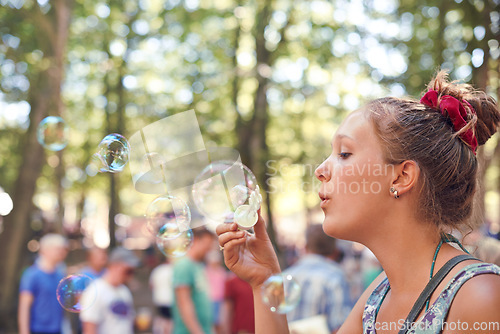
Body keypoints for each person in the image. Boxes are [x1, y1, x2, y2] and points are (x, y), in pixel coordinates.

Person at [216, 71, 500, 334]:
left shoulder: (480, 297)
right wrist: (265, 280)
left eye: (344, 153)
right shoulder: (377, 296)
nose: (320, 170)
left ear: (401, 177)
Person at [284, 224, 351, 333]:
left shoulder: (285, 276)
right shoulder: (336, 276)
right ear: (335, 250)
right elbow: (340, 326)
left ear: (305, 247)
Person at [80, 247, 140, 334]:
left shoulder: (124, 290)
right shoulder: (95, 291)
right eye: (128, 271)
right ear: (115, 266)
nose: (131, 276)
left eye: (133, 272)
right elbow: (89, 330)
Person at [18, 233, 68, 334]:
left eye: (63, 249)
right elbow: (24, 307)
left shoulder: (60, 274)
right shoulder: (32, 275)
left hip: (58, 329)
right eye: (57, 249)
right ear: (45, 250)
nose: (61, 252)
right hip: (38, 329)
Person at [172, 227, 216, 334]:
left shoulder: (198, 266)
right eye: (207, 243)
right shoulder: (184, 265)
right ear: (195, 240)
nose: (209, 249)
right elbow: (184, 303)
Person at [149, 258, 174, 334]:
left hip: (159, 299)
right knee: (170, 322)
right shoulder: (173, 270)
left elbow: (151, 285)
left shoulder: (157, 269)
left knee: (161, 320)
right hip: (170, 300)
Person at [205, 249, 227, 334]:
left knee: (220, 322)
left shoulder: (221, 271)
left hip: (220, 300)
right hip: (210, 300)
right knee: (211, 322)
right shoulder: (206, 271)